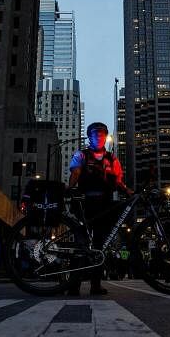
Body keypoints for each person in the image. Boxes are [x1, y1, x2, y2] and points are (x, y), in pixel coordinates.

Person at [67, 122, 133, 295]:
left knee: (99, 246)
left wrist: (127, 191)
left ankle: (95, 285)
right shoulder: (81, 155)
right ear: (90, 137)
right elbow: (75, 174)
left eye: (102, 134)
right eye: (96, 134)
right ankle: (74, 285)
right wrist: (70, 189)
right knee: (81, 245)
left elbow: (118, 181)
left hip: (105, 206)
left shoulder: (112, 159)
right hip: (84, 204)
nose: (99, 137)